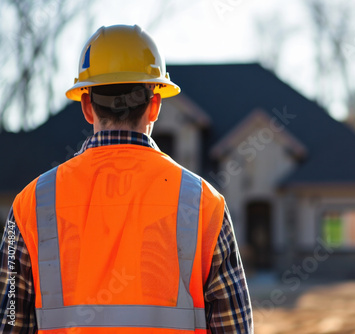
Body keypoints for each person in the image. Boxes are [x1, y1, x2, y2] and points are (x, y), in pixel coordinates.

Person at [0, 24, 253, 333]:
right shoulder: (204, 204)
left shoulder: (30, 205)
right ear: (155, 105)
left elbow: (10, 323)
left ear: (87, 107)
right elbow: (234, 328)